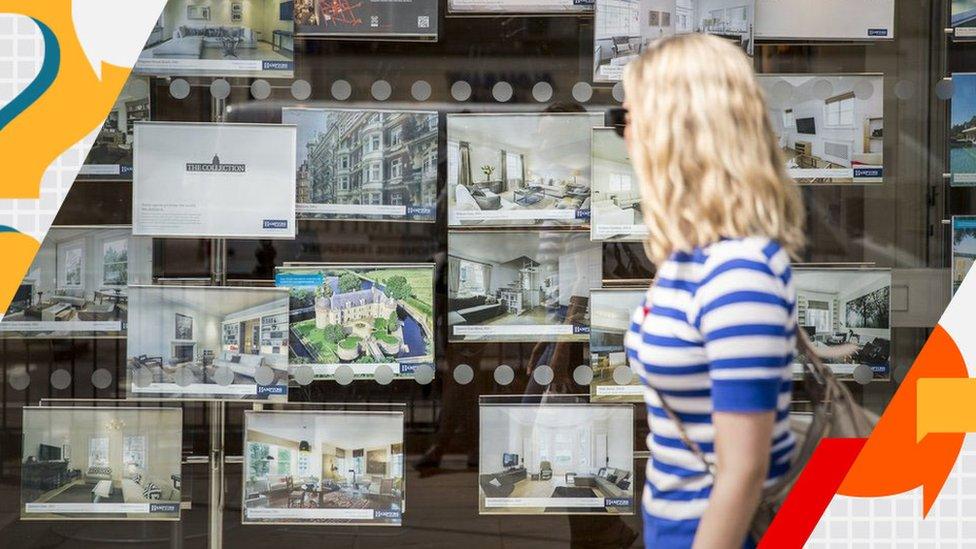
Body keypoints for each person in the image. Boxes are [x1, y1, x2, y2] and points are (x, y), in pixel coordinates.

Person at [620, 34, 807, 548]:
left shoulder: (739, 271)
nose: (627, 136)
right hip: (671, 524)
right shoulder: (689, 255)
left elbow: (743, 472)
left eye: (633, 118)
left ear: (675, 132)